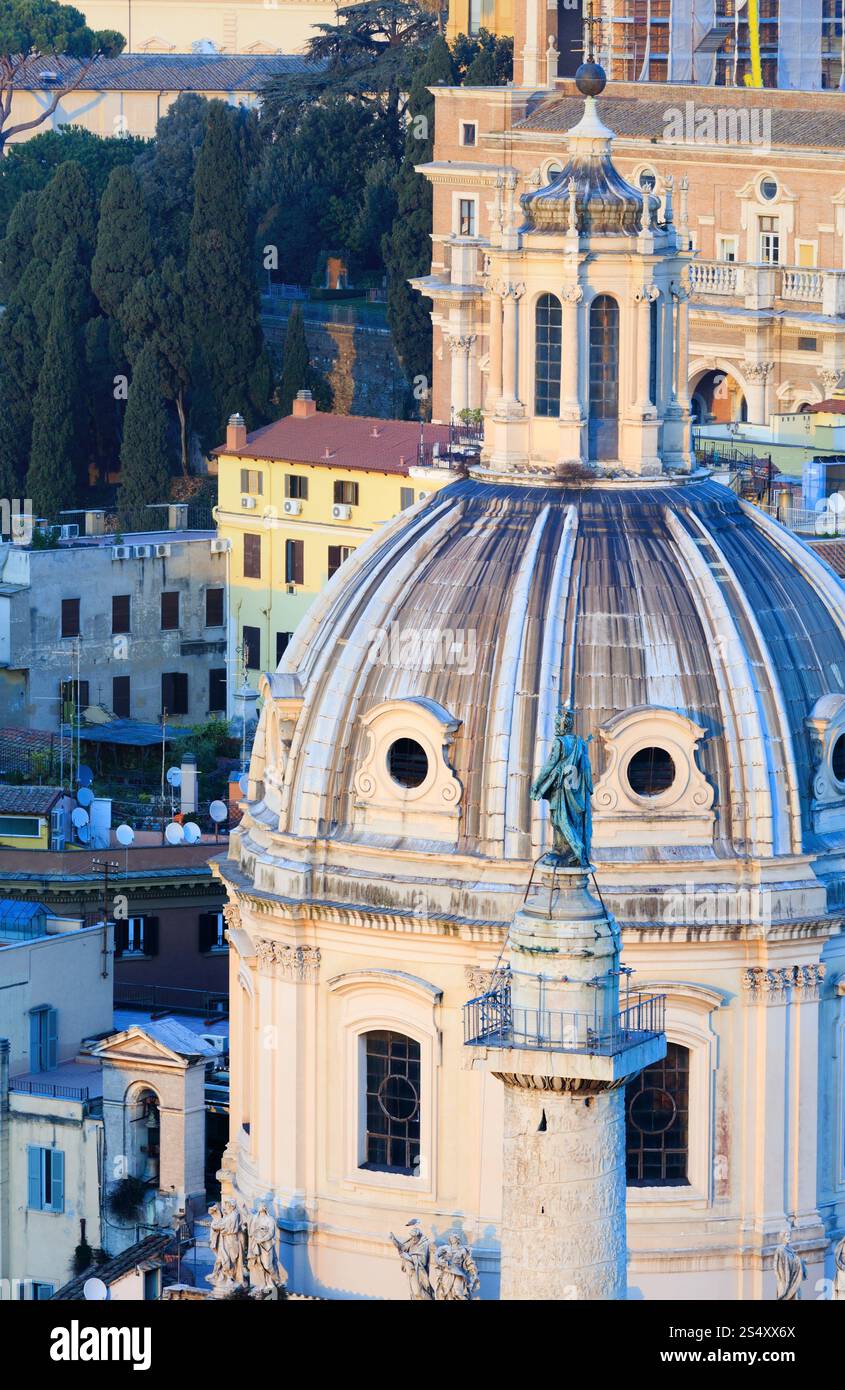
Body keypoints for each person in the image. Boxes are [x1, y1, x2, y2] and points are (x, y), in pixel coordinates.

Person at [530, 706, 593, 866]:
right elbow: (585, 767)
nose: (557, 728)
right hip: (576, 789)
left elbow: (549, 766)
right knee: (574, 820)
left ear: (561, 726)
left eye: (558, 725)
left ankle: (576, 850)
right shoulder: (580, 742)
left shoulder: (559, 742)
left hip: (561, 790)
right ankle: (564, 851)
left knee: (560, 820)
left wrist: (536, 784)